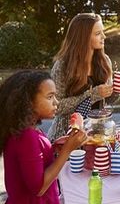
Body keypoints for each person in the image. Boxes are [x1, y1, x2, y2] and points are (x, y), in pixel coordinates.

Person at [0, 70, 86, 204]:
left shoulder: (26, 129)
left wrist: (52, 149)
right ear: (28, 101)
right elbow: (39, 188)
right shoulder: (26, 136)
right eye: (50, 97)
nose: (56, 102)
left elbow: (31, 164)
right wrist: (67, 150)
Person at [47, 13, 120, 141]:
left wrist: (116, 91)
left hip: (96, 136)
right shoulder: (63, 65)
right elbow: (57, 107)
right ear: (84, 37)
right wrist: (93, 95)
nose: (104, 36)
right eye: (98, 33)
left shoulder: (105, 61)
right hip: (66, 138)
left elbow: (106, 101)